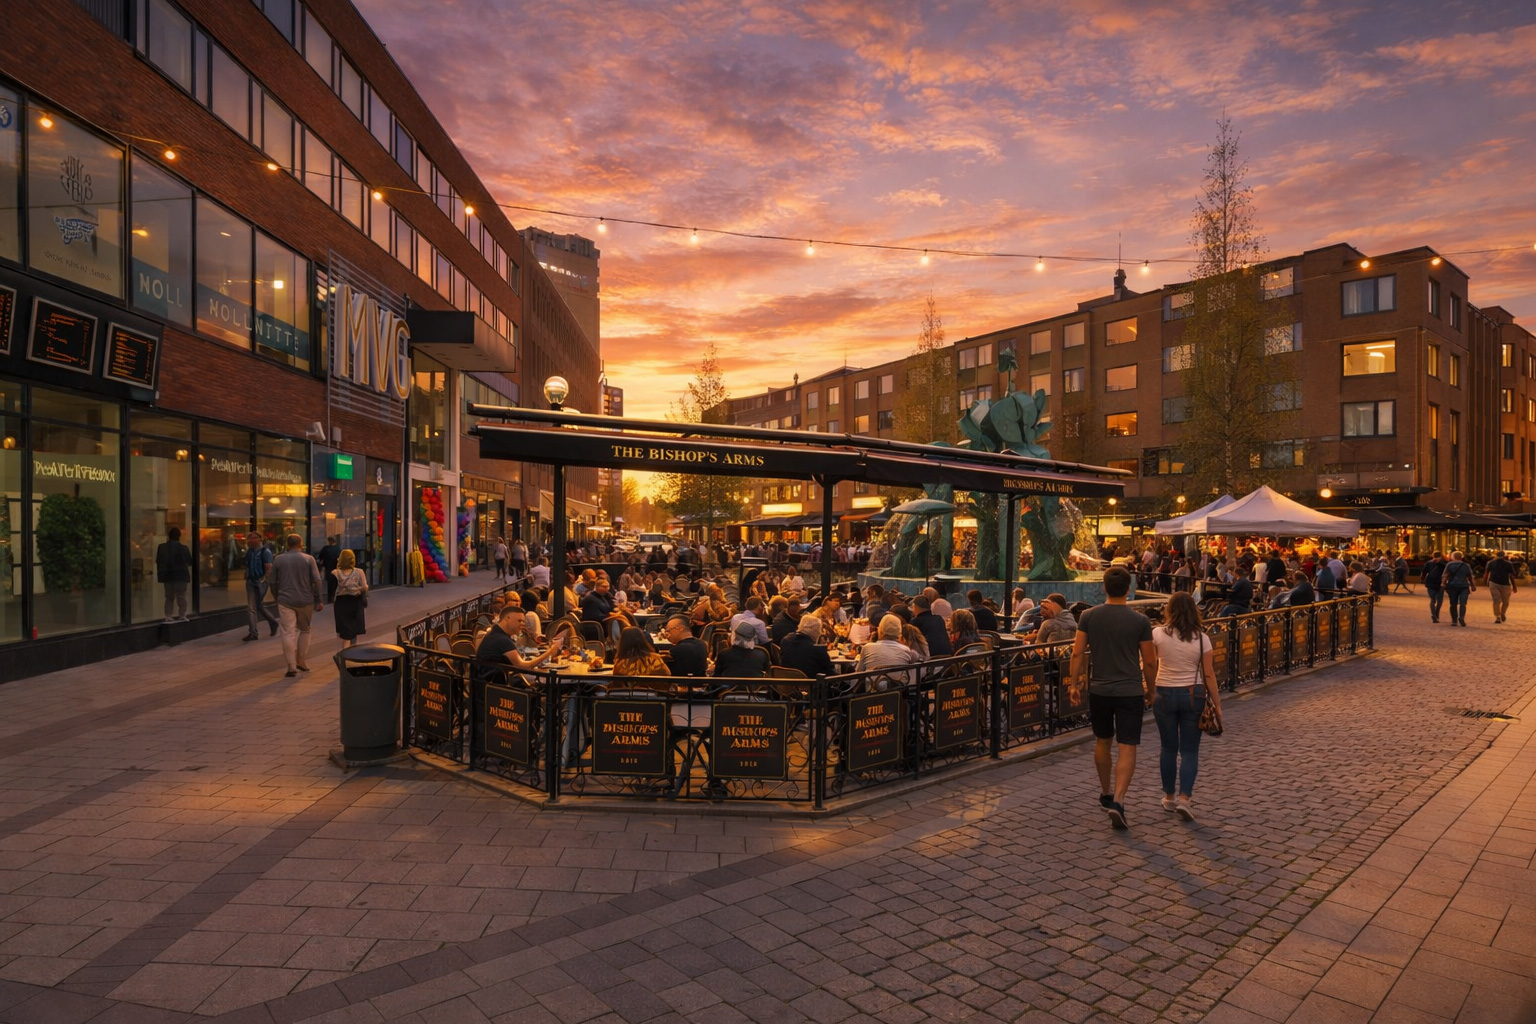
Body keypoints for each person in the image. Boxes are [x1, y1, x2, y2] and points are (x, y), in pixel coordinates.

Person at [1070, 567, 1157, 830]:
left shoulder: (1088, 616)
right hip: (1130, 690)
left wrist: (1074, 684)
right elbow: (1150, 661)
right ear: (1128, 589)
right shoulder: (1140, 621)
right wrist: (1151, 690)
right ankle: (1119, 799)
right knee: (1128, 745)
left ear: (1104, 588)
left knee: (1103, 740)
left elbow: (1077, 653)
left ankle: (1106, 792)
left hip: (1100, 690)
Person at [1150, 591, 1221, 822]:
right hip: (1194, 693)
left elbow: (1150, 664)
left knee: (1168, 747)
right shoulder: (1202, 638)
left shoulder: (1157, 634)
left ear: (1169, 610)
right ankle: (1184, 799)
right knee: (1190, 750)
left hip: (1163, 691)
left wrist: (1148, 690)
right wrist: (1217, 706)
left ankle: (1169, 796)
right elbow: (1209, 674)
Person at [267, 534, 323, 677]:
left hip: (285, 600)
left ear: (287, 544)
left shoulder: (279, 559)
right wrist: (319, 599)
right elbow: (317, 580)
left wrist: (276, 596)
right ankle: (301, 661)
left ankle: (291, 666)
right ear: (301, 543)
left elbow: (272, 581)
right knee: (305, 631)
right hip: (306, 600)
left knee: (287, 632)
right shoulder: (308, 559)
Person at [476, 605, 566, 677]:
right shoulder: (501, 640)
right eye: (519, 621)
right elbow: (523, 666)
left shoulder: (495, 633)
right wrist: (550, 651)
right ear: (507, 619)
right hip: (497, 685)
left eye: (523, 621)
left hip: (490, 681)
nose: (522, 624)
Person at [854, 614, 925, 684]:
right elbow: (921, 660)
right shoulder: (906, 650)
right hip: (897, 692)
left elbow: (858, 673)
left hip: (873, 692)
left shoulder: (867, 648)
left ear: (880, 630)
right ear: (899, 633)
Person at [241, 532, 278, 642]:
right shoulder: (250, 552)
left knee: (258, 606)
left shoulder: (265, 552)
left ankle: (272, 622)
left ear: (259, 539)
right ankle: (253, 632)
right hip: (251, 581)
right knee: (252, 607)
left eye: (253, 538)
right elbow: (247, 563)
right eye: (249, 538)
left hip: (260, 581)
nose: (250, 540)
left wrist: (264, 579)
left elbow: (269, 567)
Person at [331, 549, 369, 648]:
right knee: (353, 630)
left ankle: (348, 652)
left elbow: (332, 589)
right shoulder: (359, 572)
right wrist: (356, 588)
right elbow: (365, 587)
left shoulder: (335, 573)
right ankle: (348, 652)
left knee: (345, 631)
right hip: (355, 602)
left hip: (340, 603)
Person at [155, 526, 193, 622]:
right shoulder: (184, 548)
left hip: (167, 575)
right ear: (179, 536)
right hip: (181, 575)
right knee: (181, 596)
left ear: (169, 536)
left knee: (169, 597)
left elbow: (158, 560)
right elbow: (189, 561)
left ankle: (168, 616)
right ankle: (182, 615)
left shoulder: (161, 547)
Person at [1441, 551, 1475, 626]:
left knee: (1453, 603)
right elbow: (1470, 576)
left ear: (1453, 557)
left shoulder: (1449, 565)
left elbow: (1445, 575)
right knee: (1463, 603)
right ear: (1461, 557)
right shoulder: (1466, 565)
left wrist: (1443, 583)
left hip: (1452, 585)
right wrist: (1473, 585)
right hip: (1464, 586)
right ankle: (1462, 617)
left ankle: (1454, 620)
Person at [1483, 551, 1517, 624]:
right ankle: (1502, 613)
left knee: (1496, 600)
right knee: (1506, 602)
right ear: (1504, 556)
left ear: (1496, 555)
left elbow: (1486, 573)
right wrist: (1514, 586)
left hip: (1493, 583)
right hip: (1505, 584)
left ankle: (1498, 616)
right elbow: (1511, 575)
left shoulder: (1490, 563)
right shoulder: (1509, 564)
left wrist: (1485, 583)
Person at [1422, 551, 1447, 623]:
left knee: (1432, 599)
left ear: (1432, 555)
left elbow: (1424, 572)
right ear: (1441, 556)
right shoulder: (1443, 563)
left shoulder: (1428, 563)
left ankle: (1433, 614)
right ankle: (1437, 613)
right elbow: (1446, 573)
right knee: (1440, 599)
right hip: (1440, 582)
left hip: (1430, 582)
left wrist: (1423, 579)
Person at [317, 536, 342, 604]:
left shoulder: (326, 549)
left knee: (330, 583)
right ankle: (335, 597)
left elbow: (320, 557)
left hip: (328, 568)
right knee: (336, 582)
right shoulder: (338, 549)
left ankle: (330, 598)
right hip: (336, 568)